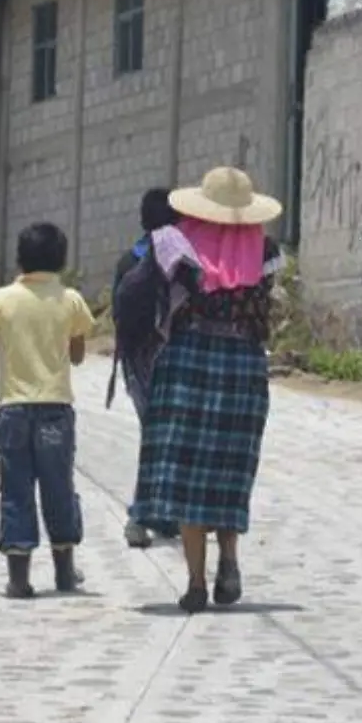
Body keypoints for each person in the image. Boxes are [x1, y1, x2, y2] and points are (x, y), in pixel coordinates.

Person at [128, 167, 284, 613]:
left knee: (187, 467)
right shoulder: (265, 251)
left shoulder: (178, 245)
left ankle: (196, 582)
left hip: (188, 360)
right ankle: (229, 557)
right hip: (243, 364)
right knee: (227, 467)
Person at [0, 222, 96, 598]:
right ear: (61, 259)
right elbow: (76, 357)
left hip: (12, 409)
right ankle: (64, 570)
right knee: (59, 488)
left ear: (19, 258)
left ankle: (19, 578)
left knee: (15, 489)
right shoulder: (71, 299)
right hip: (56, 408)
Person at [110, 188, 182, 549]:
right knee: (164, 437)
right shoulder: (179, 258)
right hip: (168, 357)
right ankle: (141, 516)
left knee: (153, 435)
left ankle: (162, 515)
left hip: (135, 361)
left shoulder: (128, 259)